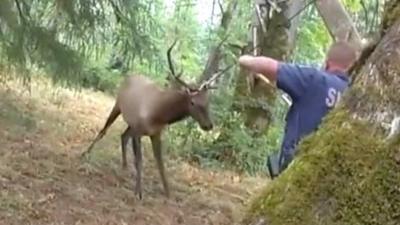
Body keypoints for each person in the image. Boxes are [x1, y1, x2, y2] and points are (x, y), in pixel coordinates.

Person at [238, 40, 358, 178]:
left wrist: (246, 60)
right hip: (332, 172)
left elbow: (271, 67)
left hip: (298, 166)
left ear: (327, 62)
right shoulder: (355, 93)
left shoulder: (314, 79)